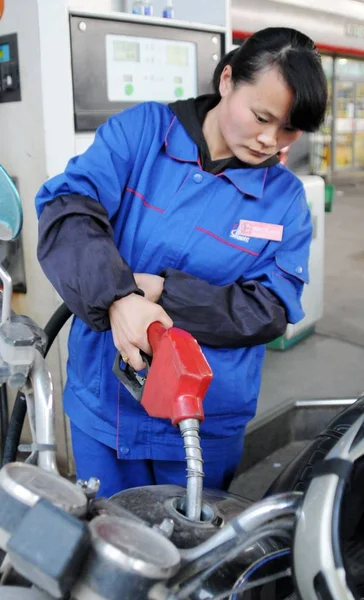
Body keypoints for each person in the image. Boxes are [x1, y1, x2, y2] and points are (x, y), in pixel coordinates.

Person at [35, 27, 328, 498]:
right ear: (228, 79)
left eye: (290, 128)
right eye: (261, 116)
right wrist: (119, 297)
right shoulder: (143, 134)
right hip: (105, 406)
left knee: (193, 553)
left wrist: (162, 293)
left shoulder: (285, 201)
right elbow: (68, 208)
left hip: (204, 419)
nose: (270, 140)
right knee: (105, 542)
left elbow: (269, 308)